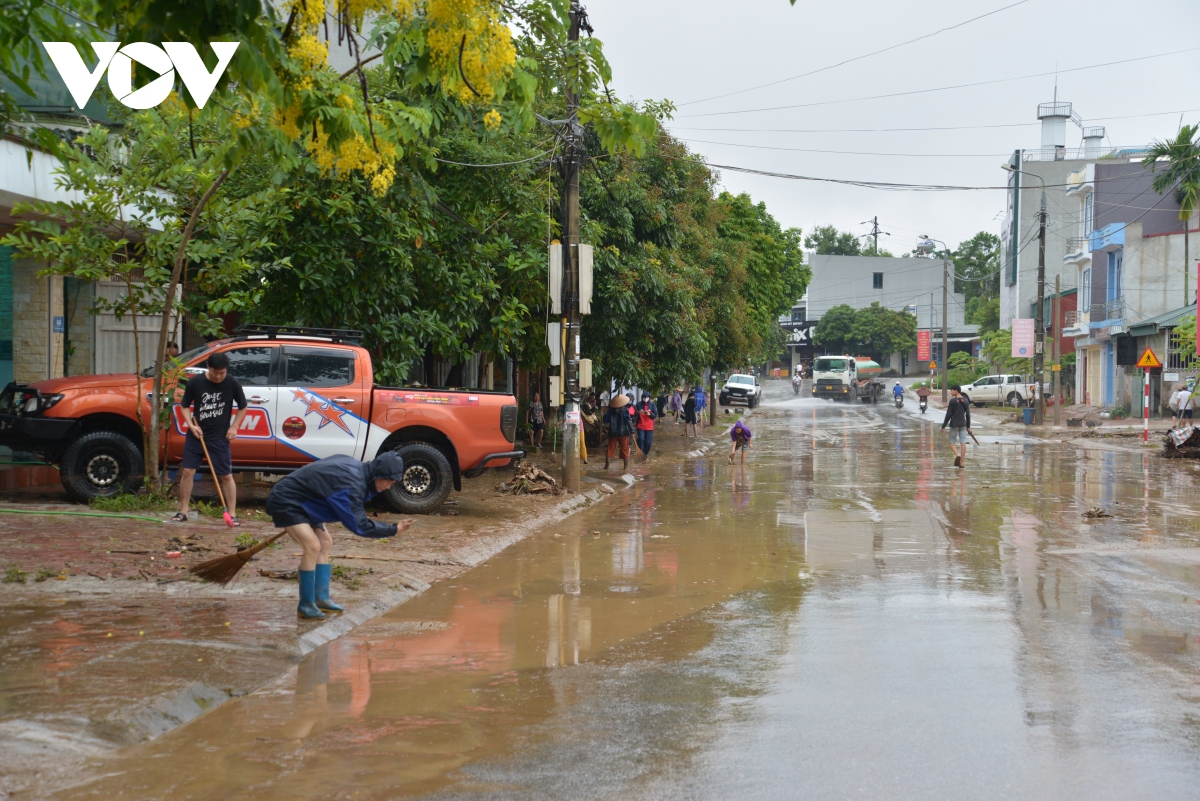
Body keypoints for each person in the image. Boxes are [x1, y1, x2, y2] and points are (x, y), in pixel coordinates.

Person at [265, 451, 415, 619]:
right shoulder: (351, 483)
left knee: (325, 542)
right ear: (379, 474)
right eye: (389, 481)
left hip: (307, 502)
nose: (388, 486)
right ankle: (306, 605)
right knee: (312, 546)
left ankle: (321, 599)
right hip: (287, 500)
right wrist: (394, 529)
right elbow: (359, 525)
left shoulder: (360, 472)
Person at [171, 351, 248, 524]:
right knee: (188, 471)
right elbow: (184, 406)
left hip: (219, 437)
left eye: (222, 373)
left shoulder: (232, 383)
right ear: (208, 367)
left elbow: (243, 407)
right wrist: (191, 426)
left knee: (226, 476)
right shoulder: (195, 383)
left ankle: (233, 513)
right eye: (215, 372)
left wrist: (234, 427)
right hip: (196, 435)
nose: (219, 376)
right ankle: (183, 511)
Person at [941, 385, 972, 469]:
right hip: (963, 424)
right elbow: (968, 415)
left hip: (954, 424)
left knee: (952, 442)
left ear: (956, 391)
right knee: (963, 442)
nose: (951, 392)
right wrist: (968, 426)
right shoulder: (965, 401)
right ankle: (962, 462)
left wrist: (943, 426)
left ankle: (957, 454)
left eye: (952, 390)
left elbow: (949, 414)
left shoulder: (953, 401)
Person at [603, 393, 635, 470]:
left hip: (612, 433)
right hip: (623, 433)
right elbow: (629, 422)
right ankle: (625, 467)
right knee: (625, 449)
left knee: (610, 448)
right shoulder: (625, 411)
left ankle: (607, 466)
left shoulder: (610, 411)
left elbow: (605, 420)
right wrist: (632, 432)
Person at [634, 393, 657, 458]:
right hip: (640, 425)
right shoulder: (638, 404)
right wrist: (638, 413)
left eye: (647, 397)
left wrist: (650, 414)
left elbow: (655, 415)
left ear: (649, 397)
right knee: (641, 439)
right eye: (644, 397)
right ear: (642, 397)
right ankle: (640, 454)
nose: (646, 398)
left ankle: (645, 454)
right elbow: (634, 415)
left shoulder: (652, 405)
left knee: (648, 443)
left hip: (649, 427)